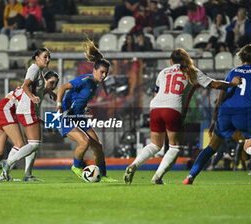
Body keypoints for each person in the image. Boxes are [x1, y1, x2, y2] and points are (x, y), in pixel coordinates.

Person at [123, 48, 241, 185]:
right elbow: (215, 84)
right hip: (173, 108)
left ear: (170, 61)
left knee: (155, 145)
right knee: (175, 147)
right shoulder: (192, 72)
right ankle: (157, 178)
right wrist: (232, 84)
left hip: (155, 108)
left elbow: (156, 93)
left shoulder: (163, 72)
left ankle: (134, 164)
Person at [0, 70, 59, 181]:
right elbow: (27, 111)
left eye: (55, 84)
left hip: (0, 109)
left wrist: (43, 122)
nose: (53, 86)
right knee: (23, 144)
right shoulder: (35, 88)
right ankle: (14, 170)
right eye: (51, 83)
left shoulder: (38, 90)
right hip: (5, 109)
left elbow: (31, 113)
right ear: (43, 80)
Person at [183, 44, 251, 185]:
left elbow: (221, 96)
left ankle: (190, 176)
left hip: (225, 113)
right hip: (245, 112)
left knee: (211, 148)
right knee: (248, 142)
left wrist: (214, 120)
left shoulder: (232, 72)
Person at [56, 38, 117, 183]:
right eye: (102, 72)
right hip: (65, 116)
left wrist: (84, 107)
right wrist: (59, 104)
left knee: (97, 145)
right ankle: (76, 167)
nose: (104, 76)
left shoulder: (94, 84)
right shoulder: (85, 80)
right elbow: (62, 87)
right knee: (84, 142)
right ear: (94, 70)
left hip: (78, 116)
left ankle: (102, 175)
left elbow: (77, 98)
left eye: (106, 73)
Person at [0, 48, 53, 181]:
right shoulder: (34, 69)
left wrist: (48, 92)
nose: (48, 59)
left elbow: (34, 88)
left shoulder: (38, 71)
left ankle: (26, 175)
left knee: (32, 144)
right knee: (35, 144)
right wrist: (33, 97)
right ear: (37, 58)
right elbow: (25, 86)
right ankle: (9, 163)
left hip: (28, 110)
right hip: (27, 109)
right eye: (45, 57)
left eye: (49, 57)